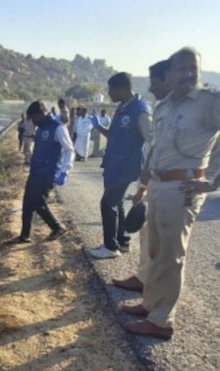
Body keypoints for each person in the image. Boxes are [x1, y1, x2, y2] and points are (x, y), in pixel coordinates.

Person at [120, 47, 220, 340]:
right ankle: (150, 305)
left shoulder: (210, 102)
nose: (187, 74)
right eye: (181, 69)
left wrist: (213, 181)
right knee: (156, 251)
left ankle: (161, 322)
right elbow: (158, 145)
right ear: (169, 75)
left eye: (192, 69)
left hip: (181, 189)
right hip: (158, 185)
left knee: (172, 256)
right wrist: (146, 176)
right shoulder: (165, 105)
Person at [113, 59, 172, 292]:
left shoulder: (146, 111)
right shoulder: (163, 108)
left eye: (155, 82)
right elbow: (153, 147)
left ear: (169, 80)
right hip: (150, 176)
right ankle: (144, 278)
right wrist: (143, 185)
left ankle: (158, 294)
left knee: (168, 243)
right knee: (147, 232)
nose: (150, 88)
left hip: (171, 181)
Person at [87, 72, 152, 259]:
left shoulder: (140, 110)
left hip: (126, 167)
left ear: (122, 88)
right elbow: (115, 136)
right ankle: (122, 241)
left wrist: (146, 175)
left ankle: (110, 247)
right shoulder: (122, 108)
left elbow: (151, 140)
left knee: (107, 203)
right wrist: (99, 127)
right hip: (113, 165)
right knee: (117, 203)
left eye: (111, 89)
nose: (109, 93)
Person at [12, 101, 73, 243]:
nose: (32, 122)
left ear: (41, 114)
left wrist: (64, 172)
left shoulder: (58, 128)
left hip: (49, 173)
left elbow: (69, 150)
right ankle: (24, 235)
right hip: (36, 171)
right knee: (27, 202)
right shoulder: (40, 129)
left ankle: (57, 227)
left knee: (38, 201)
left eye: (33, 118)